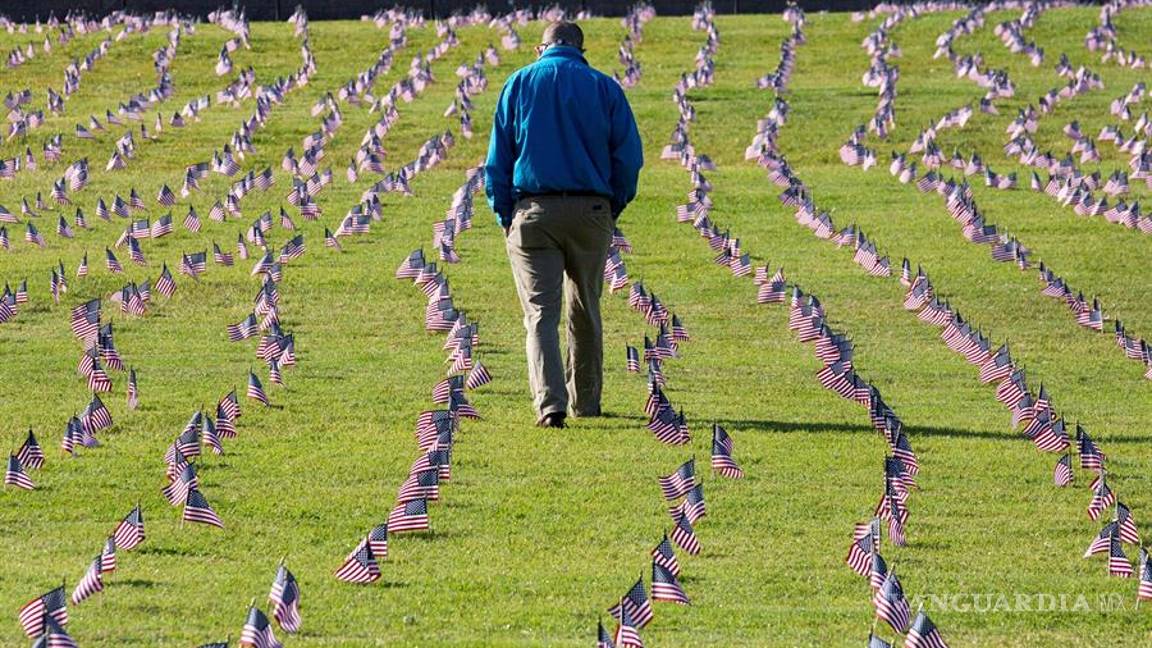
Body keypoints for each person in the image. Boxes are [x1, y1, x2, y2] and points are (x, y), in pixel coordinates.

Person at [485, 21, 644, 429]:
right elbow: (628, 158)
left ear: (543, 47)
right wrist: (612, 207)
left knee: (540, 313)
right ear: (580, 48)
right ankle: (586, 402)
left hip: (534, 211)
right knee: (586, 308)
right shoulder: (604, 87)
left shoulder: (518, 84)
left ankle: (550, 404)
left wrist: (506, 214)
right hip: (592, 212)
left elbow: (497, 161)